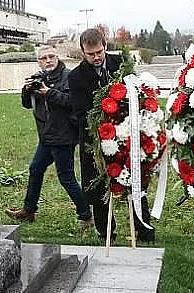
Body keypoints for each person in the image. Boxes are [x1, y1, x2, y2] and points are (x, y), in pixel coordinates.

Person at [67, 27, 154, 242]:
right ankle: (106, 232)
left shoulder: (121, 65)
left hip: (127, 136)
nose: (96, 57)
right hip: (94, 141)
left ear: (105, 46)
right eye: (91, 54)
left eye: (99, 52)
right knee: (98, 187)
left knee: (135, 180)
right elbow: (80, 112)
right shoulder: (76, 77)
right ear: (82, 52)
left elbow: (137, 95)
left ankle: (143, 229)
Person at [6, 46, 93, 228]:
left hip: (64, 136)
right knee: (35, 169)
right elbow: (27, 105)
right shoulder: (40, 78)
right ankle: (29, 211)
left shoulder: (69, 77)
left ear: (57, 57)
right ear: (39, 61)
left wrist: (48, 93)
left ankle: (86, 215)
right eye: (43, 58)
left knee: (66, 177)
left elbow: (73, 103)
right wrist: (27, 90)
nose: (48, 60)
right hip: (47, 137)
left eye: (51, 56)